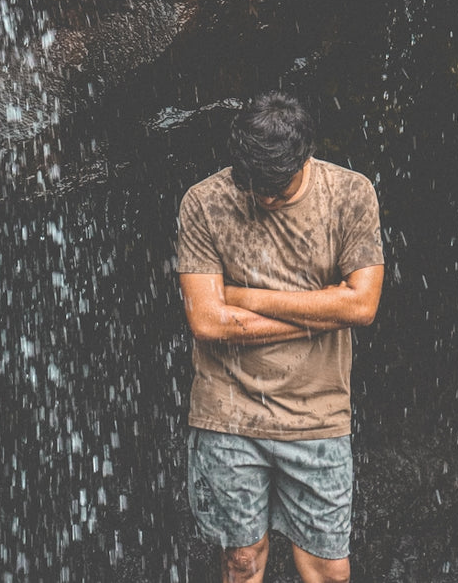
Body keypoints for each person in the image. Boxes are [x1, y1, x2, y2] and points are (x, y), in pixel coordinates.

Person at [176, 93, 384, 583]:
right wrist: (324, 310)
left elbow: (362, 306)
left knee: (329, 570)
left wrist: (243, 298)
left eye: (276, 187)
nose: (264, 198)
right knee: (242, 561)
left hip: (318, 415)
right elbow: (207, 322)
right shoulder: (204, 202)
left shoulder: (350, 194)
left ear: (305, 157)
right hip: (228, 414)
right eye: (253, 186)